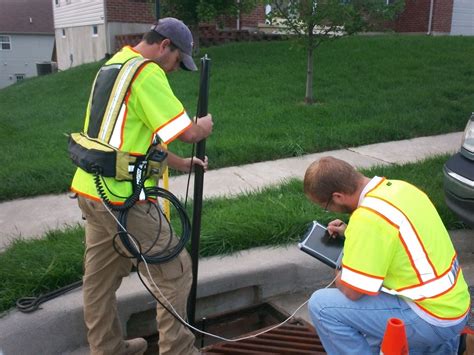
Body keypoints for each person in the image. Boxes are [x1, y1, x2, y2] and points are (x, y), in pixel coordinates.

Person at [70, 17, 213, 355]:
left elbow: (129, 139)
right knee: (176, 272)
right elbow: (188, 132)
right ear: (165, 46)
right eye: (179, 60)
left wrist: (180, 163)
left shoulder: (114, 65)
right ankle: (179, 351)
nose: (176, 69)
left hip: (91, 191)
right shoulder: (147, 72)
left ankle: (107, 349)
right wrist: (204, 126)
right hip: (123, 200)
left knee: (99, 281)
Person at [303, 156, 470, 354]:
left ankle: (434, 343)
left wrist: (340, 265)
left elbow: (352, 292)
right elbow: (397, 235)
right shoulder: (401, 188)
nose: (329, 209)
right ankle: (439, 349)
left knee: (321, 306)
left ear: (338, 196)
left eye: (326, 206)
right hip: (455, 306)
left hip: (431, 318)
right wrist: (351, 233)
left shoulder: (367, 219)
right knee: (376, 332)